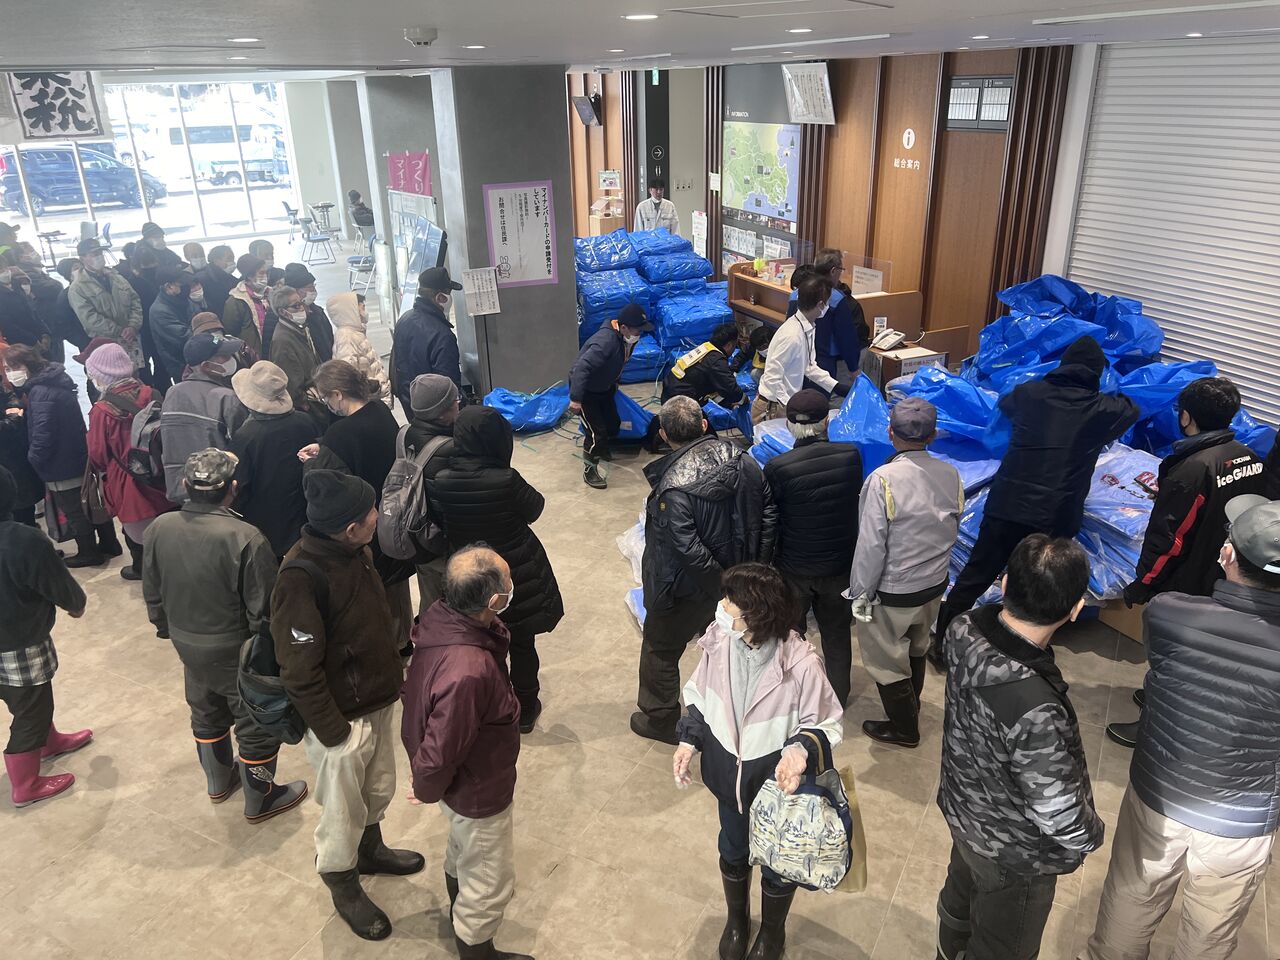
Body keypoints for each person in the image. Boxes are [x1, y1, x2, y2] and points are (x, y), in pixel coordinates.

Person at [1081, 494, 1280, 960]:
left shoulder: (1169, 613)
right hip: (1241, 818)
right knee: (1210, 933)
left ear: (1227, 554)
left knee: (1131, 896)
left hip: (1159, 791)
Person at [273, 469, 425, 942]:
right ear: (350, 527)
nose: (378, 515)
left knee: (376, 790)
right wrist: (335, 734)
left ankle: (371, 850)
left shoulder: (357, 552)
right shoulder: (300, 576)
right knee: (341, 811)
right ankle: (342, 881)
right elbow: (297, 668)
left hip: (375, 698)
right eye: (371, 512)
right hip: (340, 718)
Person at [936, 535, 1104, 960]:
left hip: (963, 811)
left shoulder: (961, 628)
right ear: (1076, 608)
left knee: (957, 904)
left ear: (1005, 584)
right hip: (1015, 854)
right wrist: (1091, 835)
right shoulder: (1036, 708)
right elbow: (1058, 811)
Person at [932, 336, 1140, 664]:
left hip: (1007, 503)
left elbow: (1004, 412)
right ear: (1096, 374)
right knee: (1041, 583)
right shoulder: (1103, 409)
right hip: (1055, 516)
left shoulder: (1029, 393)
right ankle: (1024, 651)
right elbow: (1133, 408)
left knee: (976, 574)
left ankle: (941, 644)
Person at [674, 562, 844, 960]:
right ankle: (737, 920)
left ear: (757, 614)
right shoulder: (719, 639)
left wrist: (798, 750)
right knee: (733, 848)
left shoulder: (802, 664)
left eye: (730, 601)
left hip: (776, 787)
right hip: (727, 779)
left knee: (777, 860)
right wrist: (688, 741)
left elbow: (826, 721)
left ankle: (772, 933)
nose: (722, 605)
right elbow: (699, 693)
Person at [142, 447, 307, 822]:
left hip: (186, 640)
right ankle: (260, 798)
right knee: (254, 721)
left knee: (204, 708)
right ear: (233, 488)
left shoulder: (159, 527)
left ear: (185, 485)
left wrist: (165, 628)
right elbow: (263, 610)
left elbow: (152, 589)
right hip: (235, 648)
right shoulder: (245, 537)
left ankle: (218, 782)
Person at [1106, 377, 1266, 748]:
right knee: (1196, 655)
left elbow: (1170, 540)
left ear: (1186, 417)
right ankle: (1161, 696)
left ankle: (1154, 725)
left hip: (1188, 581)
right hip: (1223, 574)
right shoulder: (1248, 458)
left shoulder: (1192, 470)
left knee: (1172, 654)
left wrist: (1144, 583)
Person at [401, 546, 534, 960]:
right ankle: (477, 949)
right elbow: (444, 743)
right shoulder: (469, 669)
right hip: (478, 790)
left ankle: (461, 914)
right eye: (508, 582)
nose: (512, 586)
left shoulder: (441, 621)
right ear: (493, 601)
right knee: (490, 879)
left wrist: (430, 782)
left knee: (463, 851)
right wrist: (425, 784)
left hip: (460, 785)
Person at [633, 395, 776, 744]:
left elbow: (688, 551)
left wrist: (722, 587)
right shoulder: (744, 461)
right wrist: (751, 572)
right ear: (704, 425)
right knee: (731, 647)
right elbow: (769, 511)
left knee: (660, 648)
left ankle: (660, 719)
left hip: (685, 589)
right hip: (738, 577)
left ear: (664, 435)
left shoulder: (672, 487)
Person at [429, 406, 564, 734]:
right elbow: (535, 508)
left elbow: (442, 522)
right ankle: (526, 709)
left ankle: (492, 706)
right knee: (522, 642)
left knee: (480, 643)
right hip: (513, 570)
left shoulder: (441, 480)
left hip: (467, 572)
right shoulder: (506, 479)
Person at [848, 398, 963, 744]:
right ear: (933, 435)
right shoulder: (951, 474)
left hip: (893, 590)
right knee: (917, 647)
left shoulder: (882, 479)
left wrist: (861, 593)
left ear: (890, 433)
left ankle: (904, 728)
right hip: (934, 584)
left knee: (886, 661)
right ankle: (911, 709)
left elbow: (871, 545)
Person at [301, 359, 414, 643]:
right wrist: (325, 445)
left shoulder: (339, 434)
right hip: (395, 514)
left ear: (337, 394)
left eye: (325, 398)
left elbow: (326, 486)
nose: (326, 404)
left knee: (376, 594)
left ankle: (390, 649)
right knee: (398, 589)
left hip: (364, 523)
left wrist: (313, 461)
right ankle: (404, 642)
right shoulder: (380, 410)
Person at [0, 465, 92, 807]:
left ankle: (48, 742)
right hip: (18, 641)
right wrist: (76, 605)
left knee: (26, 699)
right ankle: (25, 784)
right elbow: (57, 583)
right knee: (31, 708)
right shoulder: (23, 539)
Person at [763, 389, 862, 706]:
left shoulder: (778, 467)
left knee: (791, 633)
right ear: (827, 421)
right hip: (839, 566)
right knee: (836, 633)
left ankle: (794, 694)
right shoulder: (850, 456)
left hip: (795, 568)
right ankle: (837, 697)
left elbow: (772, 519)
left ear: (789, 424)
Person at [4, 344, 120, 566]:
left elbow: (43, 434)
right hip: (76, 453)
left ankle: (88, 552)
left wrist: (34, 460)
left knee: (75, 510)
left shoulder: (40, 392)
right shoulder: (55, 381)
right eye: (7, 369)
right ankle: (109, 543)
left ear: (28, 365)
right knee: (92, 502)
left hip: (59, 462)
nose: (10, 373)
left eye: (14, 367)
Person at [85, 342, 175, 581]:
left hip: (128, 480)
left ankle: (143, 570)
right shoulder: (152, 394)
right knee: (167, 519)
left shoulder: (102, 410)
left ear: (102, 377)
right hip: (160, 471)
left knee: (137, 531)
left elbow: (98, 454)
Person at [229, 361, 318, 559]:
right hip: (303, 514)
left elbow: (240, 486)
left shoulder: (246, 436)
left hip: (263, 523)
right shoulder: (305, 421)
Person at [569, 303, 653, 488]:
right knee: (596, 433)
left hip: (604, 388)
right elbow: (581, 368)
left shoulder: (627, 339)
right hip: (586, 392)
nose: (639, 334)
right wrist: (576, 398)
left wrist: (613, 383)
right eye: (637, 330)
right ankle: (590, 469)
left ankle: (602, 448)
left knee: (613, 424)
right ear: (623, 328)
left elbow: (619, 362)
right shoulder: (605, 342)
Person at [160, 332, 246, 503]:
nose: (231, 359)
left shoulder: (172, 393)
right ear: (206, 366)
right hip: (219, 490)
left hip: (182, 489)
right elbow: (241, 447)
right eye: (224, 356)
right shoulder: (227, 398)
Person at [754, 276, 847, 424]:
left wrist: (834, 386)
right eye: (828, 302)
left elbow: (808, 366)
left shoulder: (808, 328)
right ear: (820, 304)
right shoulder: (792, 335)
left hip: (784, 404)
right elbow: (772, 378)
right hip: (774, 406)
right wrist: (790, 405)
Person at [404, 374, 460, 614]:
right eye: (455, 400)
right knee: (458, 610)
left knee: (430, 603)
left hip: (416, 534)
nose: (459, 403)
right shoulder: (449, 448)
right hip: (443, 543)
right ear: (442, 412)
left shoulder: (404, 434)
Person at [643, 321, 745, 452]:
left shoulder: (706, 348)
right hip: (682, 399)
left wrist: (729, 404)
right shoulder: (716, 360)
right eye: (735, 345)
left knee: (671, 418)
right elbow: (730, 388)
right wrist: (743, 399)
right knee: (709, 438)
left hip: (671, 389)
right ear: (729, 344)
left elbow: (714, 389)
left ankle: (653, 439)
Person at [785, 249, 868, 378]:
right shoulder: (836, 299)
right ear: (833, 271)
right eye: (841, 270)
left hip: (797, 360)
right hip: (824, 362)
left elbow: (789, 329)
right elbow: (846, 338)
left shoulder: (795, 295)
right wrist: (853, 367)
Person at [68, 237, 144, 374]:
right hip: (106, 342)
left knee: (138, 375)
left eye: (100, 253)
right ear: (82, 258)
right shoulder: (78, 288)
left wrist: (133, 325)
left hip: (131, 340)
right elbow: (89, 318)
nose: (99, 257)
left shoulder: (116, 277)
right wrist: (119, 331)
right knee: (114, 377)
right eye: (94, 254)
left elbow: (135, 300)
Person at [392, 266, 463, 410]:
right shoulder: (442, 335)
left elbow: (396, 366)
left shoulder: (405, 319)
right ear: (440, 298)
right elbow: (448, 386)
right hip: (437, 411)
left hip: (411, 403)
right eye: (448, 293)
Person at [0, 360, 43, 526]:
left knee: (23, 509)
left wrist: (9, 419)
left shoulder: (5, 393)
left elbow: (13, 409)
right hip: (9, 460)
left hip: (14, 460)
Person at [329, 291, 388, 401]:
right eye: (362, 308)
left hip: (372, 395)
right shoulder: (347, 338)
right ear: (351, 311)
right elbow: (348, 374)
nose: (365, 312)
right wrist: (371, 389)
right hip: (368, 398)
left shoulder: (355, 333)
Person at [149, 265, 203, 385]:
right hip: (181, 365)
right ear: (169, 286)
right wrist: (214, 339)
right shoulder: (159, 311)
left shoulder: (183, 300)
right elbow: (186, 337)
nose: (187, 287)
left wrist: (216, 337)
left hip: (199, 355)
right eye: (181, 284)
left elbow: (202, 320)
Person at [267, 285, 321, 403]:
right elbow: (292, 385)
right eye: (296, 306)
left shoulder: (299, 329)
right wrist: (306, 402)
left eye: (301, 303)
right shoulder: (283, 341)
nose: (302, 308)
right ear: (282, 312)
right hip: (308, 402)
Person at [223, 254, 273, 360]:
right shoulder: (236, 300)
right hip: (253, 356)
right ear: (249, 276)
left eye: (266, 272)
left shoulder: (272, 294)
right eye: (261, 273)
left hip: (274, 351)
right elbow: (230, 332)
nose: (266, 276)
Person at [283, 263, 335, 362]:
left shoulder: (318, 312)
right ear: (295, 290)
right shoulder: (287, 318)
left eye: (313, 286)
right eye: (309, 287)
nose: (314, 290)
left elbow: (329, 340)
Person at [0, 265, 51, 349]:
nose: (4, 272)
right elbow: (7, 326)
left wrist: (45, 333)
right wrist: (33, 341)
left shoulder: (16, 284)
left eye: (4, 268)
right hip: (19, 344)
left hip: (38, 335)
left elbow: (31, 310)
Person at [196, 245, 238, 319]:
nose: (233, 262)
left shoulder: (233, 280)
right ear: (216, 261)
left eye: (233, 259)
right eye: (229, 259)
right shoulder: (201, 279)